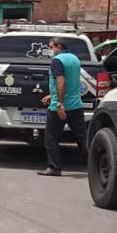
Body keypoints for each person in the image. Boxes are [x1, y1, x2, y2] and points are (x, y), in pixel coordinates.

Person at [39, 36, 89, 177]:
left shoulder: (57, 60)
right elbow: (72, 81)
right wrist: (52, 95)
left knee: (51, 138)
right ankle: (96, 165)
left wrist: (60, 104)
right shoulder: (74, 59)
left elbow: (61, 82)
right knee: (83, 137)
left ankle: (54, 167)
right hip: (76, 105)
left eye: (51, 47)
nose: (50, 50)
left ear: (59, 47)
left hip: (59, 108)